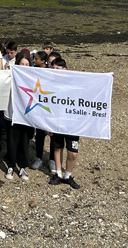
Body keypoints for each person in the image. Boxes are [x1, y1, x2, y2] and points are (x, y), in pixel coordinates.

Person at [47, 58, 80, 189]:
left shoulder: (73, 82)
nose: (55, 71)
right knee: (57, 148)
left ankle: (68, 175)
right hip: (56, 122)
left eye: (58, 69)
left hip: (72, 124)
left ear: (64, 69)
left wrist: (107, 79)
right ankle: (59, 174)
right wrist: (46, 124)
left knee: (73, 153)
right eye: (53, 68)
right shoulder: (49, 84)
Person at [4, 52, 33, 181]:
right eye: (22, 64)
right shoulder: (11, 75)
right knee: (11, 141)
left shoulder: (33, 77)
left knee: (24, 142)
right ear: (17, 64)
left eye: (27, 64)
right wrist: (5, 73)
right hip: (13, 115)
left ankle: (22, 167)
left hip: (27, 116)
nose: (25, 66)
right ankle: (10, 166)